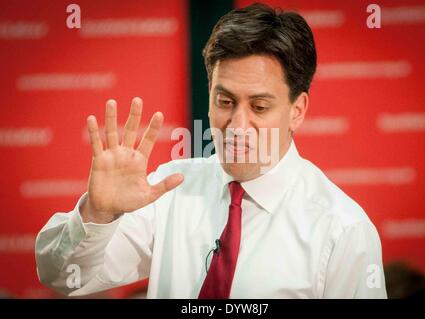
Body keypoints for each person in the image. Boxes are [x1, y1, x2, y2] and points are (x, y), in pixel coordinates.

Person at [35, 3, 387, 298]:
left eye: (260, 107)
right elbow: (63, 276)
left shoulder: (343, 229)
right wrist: (97, 215)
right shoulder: (171, 190)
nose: (236, 124)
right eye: (224, 101)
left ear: (298, 110)